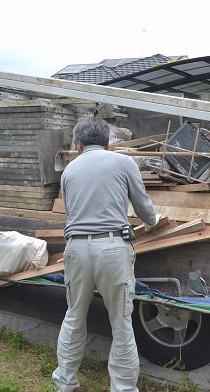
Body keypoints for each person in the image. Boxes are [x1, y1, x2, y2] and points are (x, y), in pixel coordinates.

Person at [52, 117, 159, 392]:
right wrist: (152, 221)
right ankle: (122, 388)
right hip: (112, 248)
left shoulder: (69, 171)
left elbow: (71, 214)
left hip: (75, 248)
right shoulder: (124, 163)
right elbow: (145, 209)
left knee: (74, 315)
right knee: (121, 322)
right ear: (108, 143)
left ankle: (65, 382)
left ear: (78, 144)